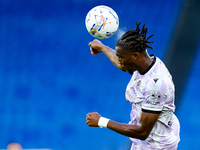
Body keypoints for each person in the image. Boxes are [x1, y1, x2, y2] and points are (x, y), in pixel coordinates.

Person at [86, 22, 180, 150]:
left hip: (155, 147)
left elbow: (142, 132)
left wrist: (102, 121)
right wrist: (102, 47)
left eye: (121, 58)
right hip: (145, 143)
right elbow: (122, 64)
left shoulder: (156, 84)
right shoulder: (146, 63)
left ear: (135, 56)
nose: (120, 61)